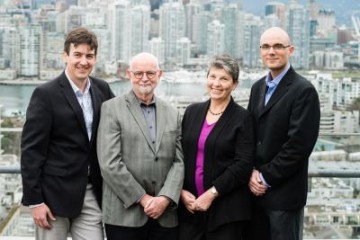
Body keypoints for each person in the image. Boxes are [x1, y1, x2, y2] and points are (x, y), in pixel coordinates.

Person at [20, 27, 114, 240]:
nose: (83, 61)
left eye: (89, 56)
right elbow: (31, 152)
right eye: (77, 55)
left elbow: (121, 124)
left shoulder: (103, 89)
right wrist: (35, 201)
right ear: (65, 56)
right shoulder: (45, 94)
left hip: (91, 192)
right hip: (52, 196)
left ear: (95, 58)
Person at [97, 52, 184, 240]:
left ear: (159, 75)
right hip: (124, 216)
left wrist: (165, 198)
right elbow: (109, 163)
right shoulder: (111, 109)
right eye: (138, 73)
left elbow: (179, 162)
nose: (144, 78)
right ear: (129, 75)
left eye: (150, 73)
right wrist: (144, 199)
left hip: (165, 215)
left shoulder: (172, 113)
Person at [247, 27, 320, 240]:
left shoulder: (303, 90)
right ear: (260, 51)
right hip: (254, 195)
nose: (272, 51)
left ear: (291, 50)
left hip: (284, 198)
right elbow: (250, 135)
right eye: (266, 47)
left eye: (278, 46)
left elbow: (298, 146)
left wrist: (265, 178)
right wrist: (251, 171)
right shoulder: (256, 87)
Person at [179, 54, 255, 240]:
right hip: (190, 208)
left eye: (224, 78)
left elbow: (243, 165)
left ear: (234, 84)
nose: (216, 83)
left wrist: (212, 193)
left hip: (225, 212)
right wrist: (180, 191)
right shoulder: (192, 112)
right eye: (212, 76)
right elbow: (180, 155)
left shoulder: (242, 118)